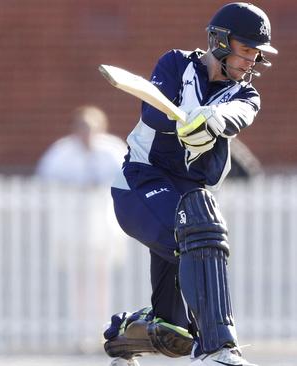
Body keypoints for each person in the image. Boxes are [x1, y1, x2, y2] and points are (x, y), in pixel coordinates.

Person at [102, 3, 276, 366]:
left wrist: (212, 119)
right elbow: (152, 112)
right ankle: (218, 349)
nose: (251, 61)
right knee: (200, 228)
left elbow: (237, 116)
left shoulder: (245, 95)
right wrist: (182, 123)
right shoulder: (175, 64)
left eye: (256, 54)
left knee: (175, 333)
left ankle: (125, 336)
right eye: (246, 50)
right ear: (220, 41)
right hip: (140, 183)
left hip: (188, 195)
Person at [35, 105, 127, 186]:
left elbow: (127, 176)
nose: (87, 132)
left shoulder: (114, 148)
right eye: (82, 126)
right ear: (75, 128)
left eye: (91, 127)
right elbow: (46, 176)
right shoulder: (61, 149)